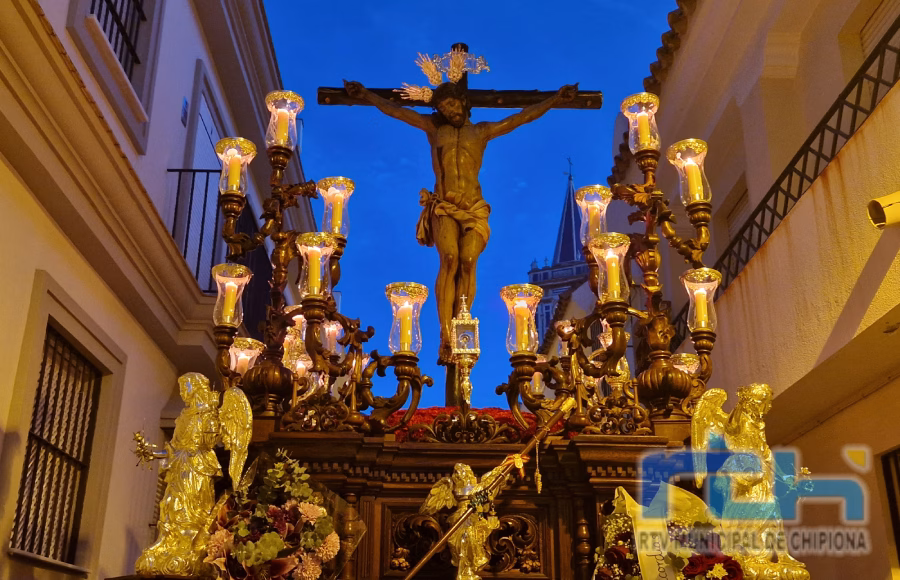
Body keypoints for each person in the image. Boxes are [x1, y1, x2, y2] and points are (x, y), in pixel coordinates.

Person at [344, 79, 577, 363]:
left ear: (463, 103)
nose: (449, 110)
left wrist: (554, 99)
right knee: (450, 258)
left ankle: (462, 323)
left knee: (468, 261)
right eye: (443, 107)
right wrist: (367, 94)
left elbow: (521, 117)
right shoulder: (435, 130)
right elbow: (398, 112)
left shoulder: (481, 132)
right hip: (443, 205)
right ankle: (446, 333)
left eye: (452, 103)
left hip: (474, 208)